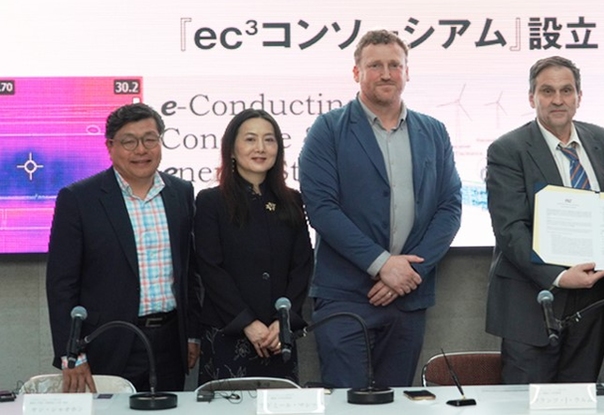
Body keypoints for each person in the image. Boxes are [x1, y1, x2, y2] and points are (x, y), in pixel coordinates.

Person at [298, 29, 462, 388]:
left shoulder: (434, 131)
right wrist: (383, 264)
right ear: (356, 72)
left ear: (407, 72)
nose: (386, 74)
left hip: (408, 297)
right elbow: (321, 208)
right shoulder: (328, 129)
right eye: (375, 65)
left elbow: (449, 207)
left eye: (394, 65)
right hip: (345, 296)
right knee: (347, 403)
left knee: (398, 403)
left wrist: (408, 273)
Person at [46, 102, 200, 393]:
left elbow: (190, 272)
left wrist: (192, 334)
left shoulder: (180, 193)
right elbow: (61, 285)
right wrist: (71, 353)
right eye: (129, 141)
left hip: (170, 342)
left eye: (150, 139)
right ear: (110, 146)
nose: (141, 150)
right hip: (107, 343)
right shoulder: (79, 199)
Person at [485, 56, 604, 383]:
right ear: (532, 98)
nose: (558, 99)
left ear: (579, 97)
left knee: (580, 399)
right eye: (547, 91)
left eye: (566, 90)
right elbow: (510, 229)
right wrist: (558, 277)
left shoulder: (601, 139)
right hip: (532, 302)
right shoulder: (508, 149)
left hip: (593, 301)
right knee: (527, 403)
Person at [194, 109, 313, 384]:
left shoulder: (292, 200)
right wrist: (246, 322)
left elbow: (302, 265)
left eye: (269, 140)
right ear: (231, 149)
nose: (260, 148)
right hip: (228, 332)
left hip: (278, 335)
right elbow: (210, 268)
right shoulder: (211, 201)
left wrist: (282, 322)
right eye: (250, 139)